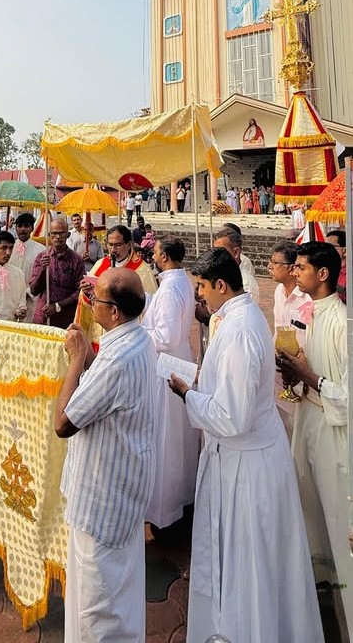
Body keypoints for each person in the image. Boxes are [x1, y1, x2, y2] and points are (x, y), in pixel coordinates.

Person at [169, 248, 324, 643]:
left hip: (246, 467)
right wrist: (205, 383)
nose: (199, 295)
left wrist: (188, 394)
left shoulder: (238, 331)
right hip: (251, 454)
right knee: (251, 561)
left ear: (221, 285)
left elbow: (231, 418)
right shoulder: (240, 315)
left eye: (202, 287)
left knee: (249, 563)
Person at [55, 268, 156, 643]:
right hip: (124, 490)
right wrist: (88, 359)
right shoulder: (138, 339)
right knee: (118, 594)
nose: (89, 302)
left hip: (101, 501)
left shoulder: (116, 360)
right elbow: (108, 393)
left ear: (113, 311)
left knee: (96, 608)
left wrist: (76, 359)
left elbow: (63, 423)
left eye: (94, 298)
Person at [278, 242, 352, 637]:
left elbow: (347, 396)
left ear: (323, 274)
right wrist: (295, 374)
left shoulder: (341, 321)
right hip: (308, 420)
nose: (295, 272)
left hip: (332, 433)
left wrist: (309, 377)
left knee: (336, 519)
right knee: (309, 511)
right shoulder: (311, 313)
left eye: (301, 267)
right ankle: (321, 597)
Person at [143, 236, 199, 531]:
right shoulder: (179, 282)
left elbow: (165, 337)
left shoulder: (170, 288)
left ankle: (165, 507)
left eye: (155, 251)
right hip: (178, 360)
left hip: (167, 367)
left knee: (167, 438)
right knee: (179, 436)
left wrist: (137, 332)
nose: (152, 255)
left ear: (164, 256)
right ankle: (181, 497)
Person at [76, 225, 157, 350]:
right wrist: (87, 293)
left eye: (118, 245)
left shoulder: (141, 270)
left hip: (128, 335)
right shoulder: (101, 264)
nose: (113, 250)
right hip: (101, 333)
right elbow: (86, 301)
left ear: (129, 244)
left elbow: (150, 307)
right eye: (110, 245)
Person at [29, 218, 85, 328]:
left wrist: (58, 306)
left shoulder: (76, 260)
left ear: (68, 235)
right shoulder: (42, 257)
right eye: (54, 233)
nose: (58, 237)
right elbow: (33, 290)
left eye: (61, 233)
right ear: (49, 235)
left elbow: (79, 291)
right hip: (43, 317)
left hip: (66, 319)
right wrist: (43, 269)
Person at [8, 213, 43, 321]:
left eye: (26, 226)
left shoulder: (41, 250)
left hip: (31, 297)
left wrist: (28, 293)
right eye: (20, 226)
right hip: (9, 294)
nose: (23, 229)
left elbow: (41, 276)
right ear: (15, 228)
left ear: (32, 228)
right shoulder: (8, 247)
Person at [213, 227, 259, 303]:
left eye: (221, 251)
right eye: (215, 251)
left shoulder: (246, 284)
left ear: (236, 252)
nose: (215, 256)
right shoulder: (220, 274)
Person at [325, 229, 346, 304]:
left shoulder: (349, 275)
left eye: (330, 246)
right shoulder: (327, 270)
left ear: (344, 250)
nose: (326, 250)